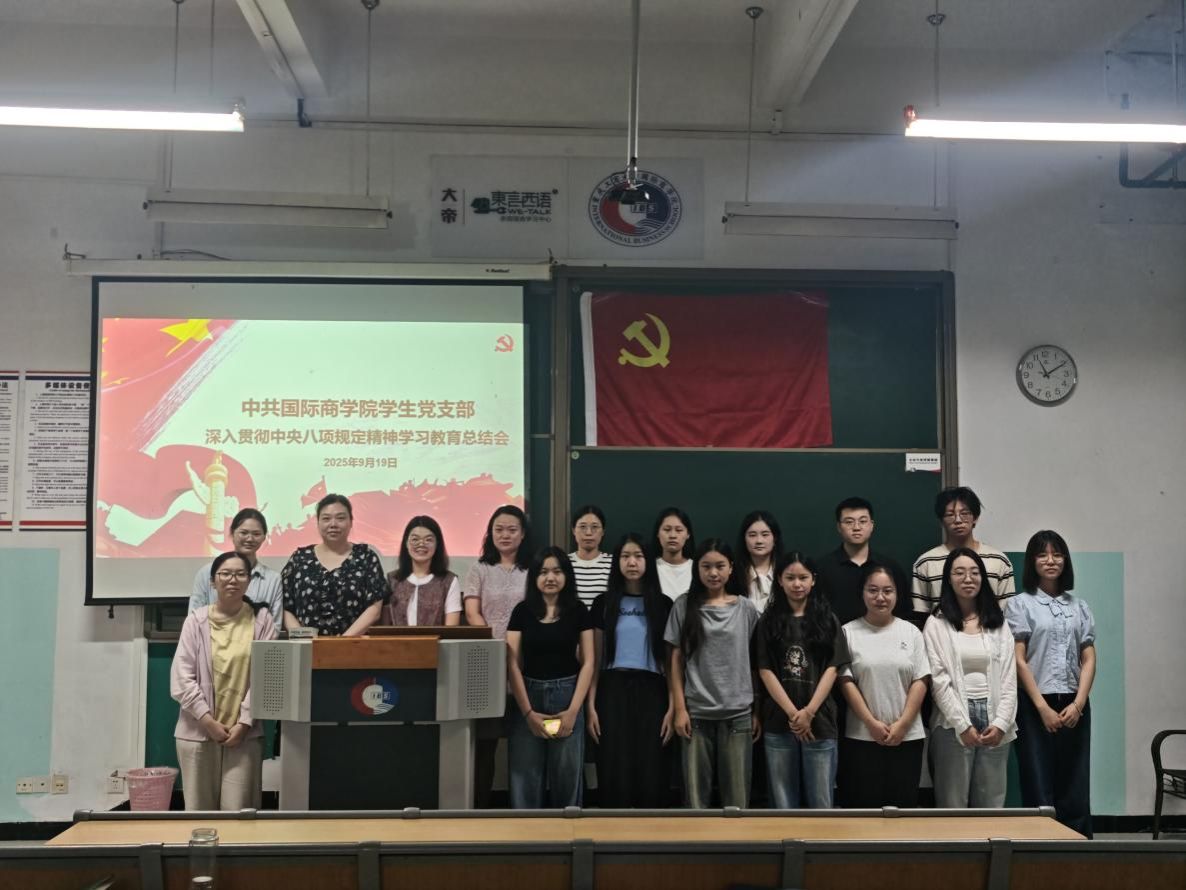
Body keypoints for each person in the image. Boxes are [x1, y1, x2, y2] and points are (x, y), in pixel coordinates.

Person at [171, 550, 277, 810]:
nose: (232, 580)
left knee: (240, 813)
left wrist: (245, 723)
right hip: (198, 732)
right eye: (225, 574)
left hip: (245, 734)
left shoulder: (262, 621)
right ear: (212, 581)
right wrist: (207, 721)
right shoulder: (196, 621)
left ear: (249, 580)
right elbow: (182, 677)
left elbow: (266, 677)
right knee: (199, 816)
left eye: (240, 574)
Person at [1006, 530, 1095, 837]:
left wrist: (1078, 704)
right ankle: (1040, 845)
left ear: (1065, 561)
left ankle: (1077, 844)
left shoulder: (1079, 606)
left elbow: (1089, 658)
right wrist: (1042, 707)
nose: (1050, 561)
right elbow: (1019, 660)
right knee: (1037, 778)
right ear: (1032, 562)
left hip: (1073, 702)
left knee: (1075, 779)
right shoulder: (1020, 605)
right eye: (1042, 555)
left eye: (1057, 554)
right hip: (1035, 704)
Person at [664, 539, 761, 808]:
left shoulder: (745, 608)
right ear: (697, 569)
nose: (713, 573)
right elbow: (675, 661)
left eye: (720, 566)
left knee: (737, 802)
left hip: (738, 714)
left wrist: (757, 710)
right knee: (696, 802)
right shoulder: (684, 605)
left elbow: (755, 663)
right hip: (696, 715)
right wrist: (680, 709)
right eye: (706, 566)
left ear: (731, 568)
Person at [923, 548, 1017, 808]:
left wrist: (1001, 723)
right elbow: (939, 681)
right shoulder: (936, 623)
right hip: (952, 722)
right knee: (952, 805)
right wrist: (962, 725)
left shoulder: (998, 622)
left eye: (975, 572)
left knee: (991, 805)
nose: (968, 578)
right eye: (959, 572)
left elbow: (1009, 678)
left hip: (995, 719)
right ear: (948, 579)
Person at [587, 533, 675, 807]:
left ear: (648, 561)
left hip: (653, 690)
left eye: (638, 556)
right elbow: (595, 660)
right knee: (615, 762)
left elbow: (671, 664)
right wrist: (591, 706)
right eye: (625, 556)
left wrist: (673, 707)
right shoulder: (603, 603)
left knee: (651, 764)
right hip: (612, 689)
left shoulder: (663, 604)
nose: (632, 562)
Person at [756, 552, 849, 809]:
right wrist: (793, 714)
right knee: (782, 803)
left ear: (813, 580)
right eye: (790, 578)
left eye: (803, 578)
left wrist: (808, 713)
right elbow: (765, 670)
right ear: (779, 580)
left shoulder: (827, 619)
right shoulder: (768, 621)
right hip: (779, 720)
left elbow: (833, 668)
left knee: (821, 801)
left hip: (820, 721)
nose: (797, 584)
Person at [506, 547, 595, 808]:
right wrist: (527, 714)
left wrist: (573, 712)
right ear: (534, 577)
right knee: (525, 778)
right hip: (528, 695)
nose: (550, 578)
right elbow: (512, 664)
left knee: (567, 778)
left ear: (567, 576)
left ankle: (567, 831)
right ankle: (526, 831)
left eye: (557, 571)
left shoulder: (578, 610)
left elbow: (589, 662)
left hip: (567, 695)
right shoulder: (522, 611)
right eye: (543, 572)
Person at [838, 564, 930, 808]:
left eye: (888, 591)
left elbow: (921, 680)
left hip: (907, 736)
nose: (880, 597)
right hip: (861, 735)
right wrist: (871, 723)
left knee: (903, 808)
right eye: (873, 590)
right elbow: (846, 681)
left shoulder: (911, 632)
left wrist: (903, 724)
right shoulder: (848, 632)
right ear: (862, 592)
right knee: (864, 809)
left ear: (897, 594)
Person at [463, 504, 531, 807]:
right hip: (487, 663)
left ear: (523, 534)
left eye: (512, 529)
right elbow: (472, 612)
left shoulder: (533, 569)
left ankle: (524, 806)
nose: (505, 535)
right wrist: (495, 646)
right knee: (486, 743)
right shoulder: (479, 568)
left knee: (524, 739)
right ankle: (480, 806)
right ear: (490, 533)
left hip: (526, 662)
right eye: (499, 529)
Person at [281, 494, 386, 636]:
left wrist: (343, 642)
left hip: (354, 645)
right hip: (306, 645)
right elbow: (285, 607)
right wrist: (302, 639)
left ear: (351, 522)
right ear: (318, 523)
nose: (333, 524)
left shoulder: (366, 557)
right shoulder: (299, 559)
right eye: (326, 518)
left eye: (340, 518)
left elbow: (374, 608)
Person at [911, 487, 1015, 619]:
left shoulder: (999, 560)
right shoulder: (925, 563)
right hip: (940, 631)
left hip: (989, 631)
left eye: (965, 513)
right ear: (941, 521)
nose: (958, 520)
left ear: (975, 518)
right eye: (950, 515)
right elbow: (921, 615)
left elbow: (1008, 613)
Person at [815, 497, 911, 627]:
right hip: (834, 637)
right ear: (839, 527)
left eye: (863, 521)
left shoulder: (891, 568)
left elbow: (903, 611)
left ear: (871, 525)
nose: (856, 527)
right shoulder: (822, 568)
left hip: (882, 636)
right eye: (849, 522)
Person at [189, 508, 283, 627]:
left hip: (257, 638)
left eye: (256, 534)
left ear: (264, 537)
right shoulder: (207, 573)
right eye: (243, 533)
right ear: (232, 533)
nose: (250, 539)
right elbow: (194, 620)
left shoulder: (273, 579)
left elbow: (274, 626)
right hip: (211, 638)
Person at [381, 515, 461, 626]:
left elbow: (451, 629)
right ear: (406, 543)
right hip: (397, 638)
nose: (421, 544)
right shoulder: (392, 580)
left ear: (437, 544)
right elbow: (384, 626)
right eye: (415, 539)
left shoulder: (448, 581)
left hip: (437, 638)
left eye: (428, 540)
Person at [735, 510, 783, 613]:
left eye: (765, 535)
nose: (759, 541)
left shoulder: (785, 572)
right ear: (744, 539)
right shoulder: (733, 574)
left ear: (775, 538)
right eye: (752, 535)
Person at [569, 504, 612, 608]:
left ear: (603, 531)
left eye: (595, 527)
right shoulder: (564, 562)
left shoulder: (613, 562)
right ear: (574, 530)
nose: (588, 533)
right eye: (583, 527)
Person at [652, 506, 696, 600]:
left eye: (679, 530)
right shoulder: (650, 568)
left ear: (688, 534)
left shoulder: (697, 569)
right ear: (658, 533)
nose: (672, 535)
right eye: (667, 529)